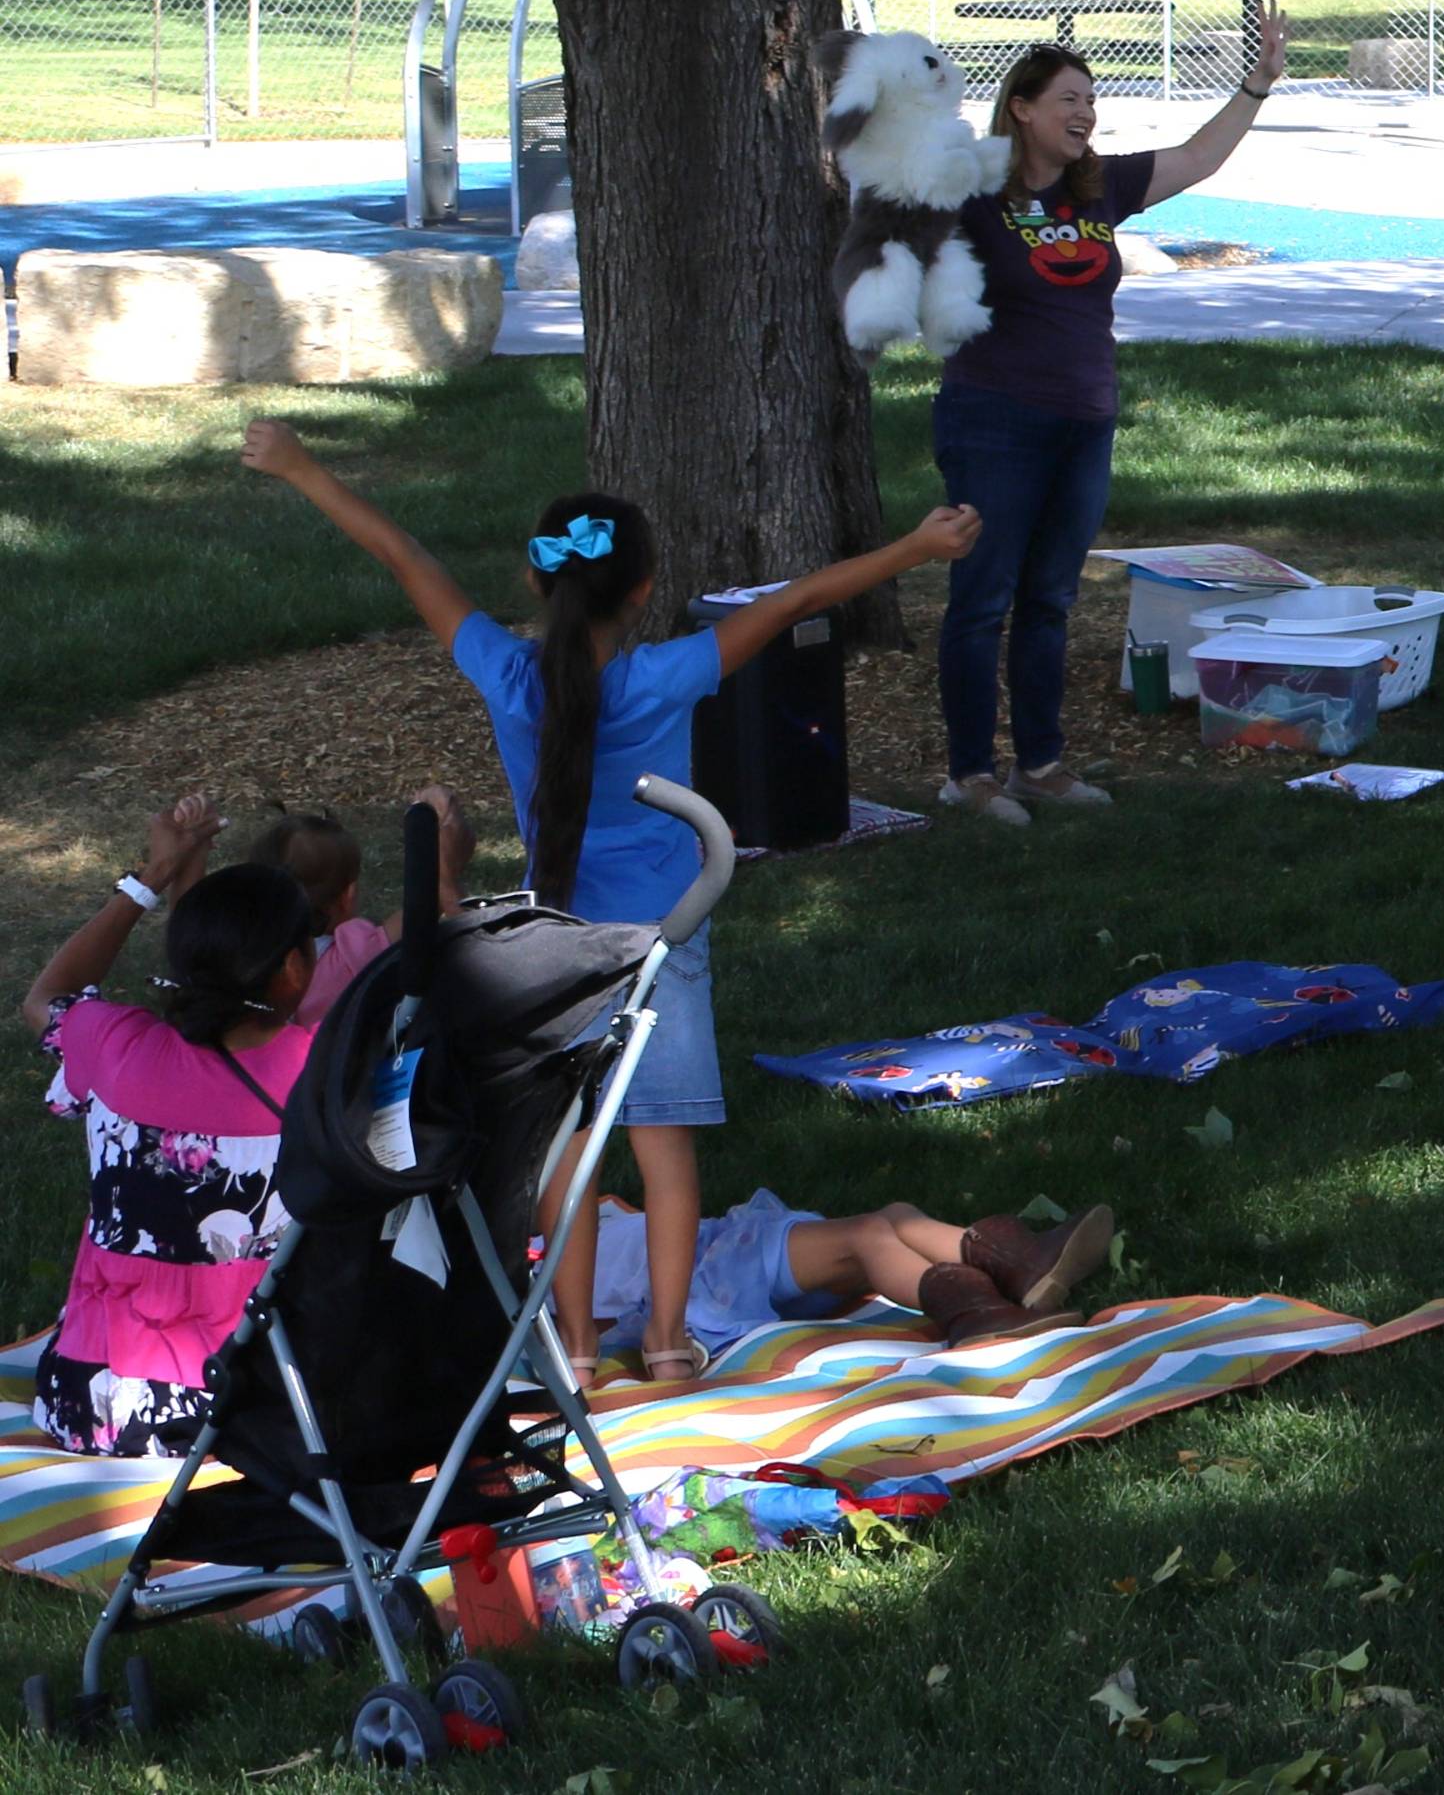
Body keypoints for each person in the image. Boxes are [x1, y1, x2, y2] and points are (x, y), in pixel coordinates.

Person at [239, 419, 981, 1387]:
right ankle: (671, 1347)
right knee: (664, 1154)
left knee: (568, 1159)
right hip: (666, 942)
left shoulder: (507, 675)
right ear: (639, 590)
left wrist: (300, 464)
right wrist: (917, 549)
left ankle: (578, 1351)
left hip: (557, 957)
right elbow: (801, 597)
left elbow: (401, 552)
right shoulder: (665, 675)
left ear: (538, 580)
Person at [928, 11, 1288, 818]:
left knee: (1051, 598)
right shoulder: (977, 191)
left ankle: (1041, 764)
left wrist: (1257, 83)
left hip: (1083, 423)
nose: (1085, 112)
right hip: (993, 419)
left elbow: (1198, 158)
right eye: (1068, 98)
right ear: (1021, 107)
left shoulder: (1100, 186)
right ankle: (970, 773)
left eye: (1091, 99)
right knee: (983, 597)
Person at [21, 795, 321, 1455]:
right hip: (263, 1409)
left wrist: (154, 875)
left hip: (96, 1400)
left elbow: (45, 997)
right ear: (296, 966)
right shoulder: (324, 1063)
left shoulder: (112, 1043)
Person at [580, 1183, 1124, 1363]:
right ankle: (976, 1313)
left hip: (725, 1255)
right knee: (866, 1238)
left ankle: (1021, 1266)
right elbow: (598, 1328)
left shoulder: (580, 1217)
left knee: (893, 1217)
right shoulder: (538, 1276)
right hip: (716, 1278)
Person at [244, 788, 463, 988]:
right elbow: (424, 906)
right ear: (348, 896)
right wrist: (444, 851)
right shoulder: (350, 955)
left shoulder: (244, 952)